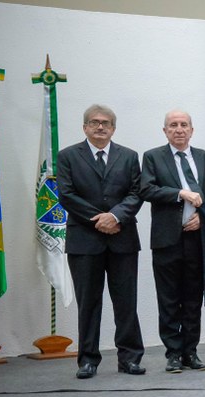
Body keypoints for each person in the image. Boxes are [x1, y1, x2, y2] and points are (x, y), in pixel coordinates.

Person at [57, 104, 146, 379]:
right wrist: (100, 219)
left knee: (126, 302)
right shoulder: (68, 156)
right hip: (84, 240)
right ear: (85, 127)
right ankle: (87, 360)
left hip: (123, 239)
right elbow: (66, 195)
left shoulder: (129, 156)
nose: (100, 127)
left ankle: (130, 358)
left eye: (106, 123)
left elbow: (136, 192)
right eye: (94, 122)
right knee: (89, 302)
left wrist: (116, 216)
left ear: (113, 128)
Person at [139, 110, 205, 373]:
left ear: (192, 130)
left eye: (184, 125)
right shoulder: (153, 157)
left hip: (198, 239)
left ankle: (190, 352)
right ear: (165, 131)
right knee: (169, 299)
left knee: (193, 298)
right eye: (173, 125)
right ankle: (173, 353)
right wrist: (180, 193)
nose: (179, 129)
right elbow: (146, 189)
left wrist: (204, 219)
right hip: (166, 239)